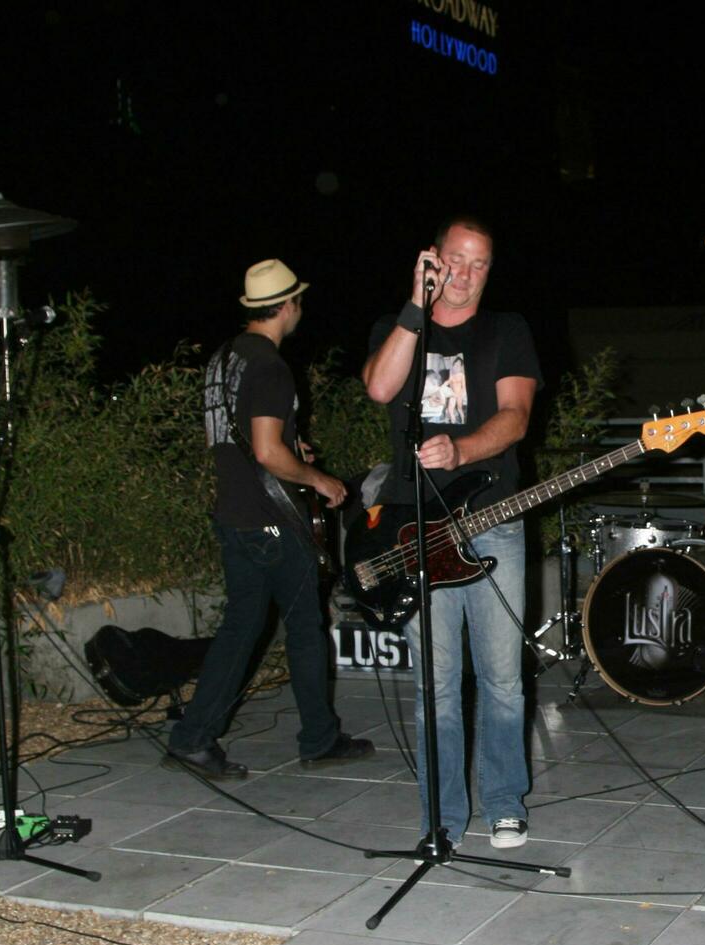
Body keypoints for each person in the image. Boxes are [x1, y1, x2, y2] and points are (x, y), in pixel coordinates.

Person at [363, 217, 541, 849]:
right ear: (432, 260)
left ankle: (503, 803)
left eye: (479, 265)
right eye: (455, 261)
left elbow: (516, 418)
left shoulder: (506, 330)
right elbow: (380, 386)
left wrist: (462, 452)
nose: (465, 276)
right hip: (414, 528)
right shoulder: (400, 326)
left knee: (500, 677)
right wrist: (417, 303)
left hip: (492, 519)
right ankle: (440, 816)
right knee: (435, 682)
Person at [165, 259, 372, 780]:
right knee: (304, 627)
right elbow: (265, 452)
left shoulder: (222, 359)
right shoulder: (270, 366)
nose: (301, 308)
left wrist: (287, 446)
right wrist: (318, 479)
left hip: (234, 514)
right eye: (299, 300)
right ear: (288, 306)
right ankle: (319, 740)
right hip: (272, 520)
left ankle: (191, 738)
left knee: (241, 628)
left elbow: (240, 440)